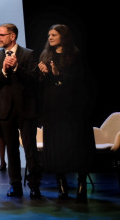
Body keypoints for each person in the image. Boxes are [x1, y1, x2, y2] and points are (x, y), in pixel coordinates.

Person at [37, 24, 95, 201]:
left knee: (78, 146)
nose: (50, 37)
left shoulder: (75, 56)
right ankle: (61, 186)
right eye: (48, 35)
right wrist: (45, 74)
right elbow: (40, 84)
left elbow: (81, 81)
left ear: (63, 36)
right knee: (56, 147)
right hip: (53, 109)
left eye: (53, 34)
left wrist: (58, 74)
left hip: (73, 109)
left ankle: (81, 184)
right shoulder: (46, 55)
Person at [0, 23, 41, 198]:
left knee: (30, 149)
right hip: (6, 110)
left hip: (26, 109)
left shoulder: (28, 54)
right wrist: (4, 71)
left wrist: (18, 68)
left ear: (12, 36)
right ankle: (15, 185)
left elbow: (35, 80)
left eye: (1, 35)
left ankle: (34, 185)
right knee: (11, 150)